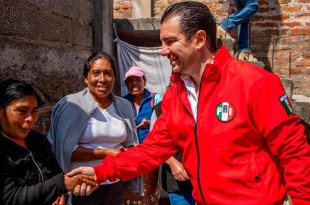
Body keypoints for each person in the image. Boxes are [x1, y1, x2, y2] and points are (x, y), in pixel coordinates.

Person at [69, 2, 310, 204]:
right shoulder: (175, 96)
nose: (163, 51)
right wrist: (99, 172)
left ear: (199, 39)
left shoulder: (256, 82)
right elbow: (150, 151)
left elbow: (295, 153)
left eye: (170, 41)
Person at [47, 52, 141, 205]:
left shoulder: (124, 106)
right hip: (81, 185)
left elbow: (131, 142)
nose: (102, 80)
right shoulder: (71, 105)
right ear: (86, 78)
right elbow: (63, 149)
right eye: (96, 73)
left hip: (115, 184)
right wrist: (107, 153)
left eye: (108, 74)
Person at [0, 79, 97, 205]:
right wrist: (60, 185)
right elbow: (10, 197)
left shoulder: (38, 141)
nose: (30, 118)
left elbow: (56, 174)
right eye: (21, 111)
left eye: (34, 111)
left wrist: (60, 195)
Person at [122, 66, 162, 204]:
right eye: (130, 81)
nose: (134, 84)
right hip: (130, 156)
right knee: (130, 196)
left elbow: (163, 124)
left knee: (148, 194)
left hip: (150, 156)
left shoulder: (155, 99)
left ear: (144, 81)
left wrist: (150, 123)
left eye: (138, 79)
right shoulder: (122, 102)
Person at [151, 101, 195, 205]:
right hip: (179, 182)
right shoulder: (160, 108)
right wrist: (172, 162)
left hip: (208, 181)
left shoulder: (208, 101)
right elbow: (154, 144)